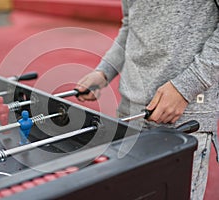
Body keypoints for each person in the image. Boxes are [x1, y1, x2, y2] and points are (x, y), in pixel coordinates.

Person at [75, 1, 219, 199]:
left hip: (184, 119)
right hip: (129, 114)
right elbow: (130, 25)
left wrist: (185, 87)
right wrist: (104, 70)